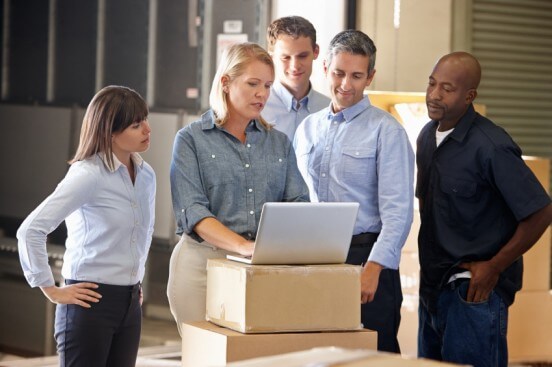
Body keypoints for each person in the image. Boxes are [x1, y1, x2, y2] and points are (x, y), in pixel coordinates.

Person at [415, 51, 552, 366]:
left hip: (472, 293)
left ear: (469, 96)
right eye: (432, 84)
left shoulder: (491, 146)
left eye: (447, 89)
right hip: (432, 289)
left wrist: (494, 266)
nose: (434, 95)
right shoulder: (426, 137)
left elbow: (541, 211)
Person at [167, 42, 309, 334]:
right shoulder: (191, 140)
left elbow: (297, 201)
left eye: (268, 85)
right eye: (253, 83)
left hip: (260, 268)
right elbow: (193, 211)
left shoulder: (279, 142)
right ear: (226, 83)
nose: (262, 94)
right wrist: (243, 246)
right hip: (201, 269)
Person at [17, 85, 156, 367]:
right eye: (136, 124)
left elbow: (141, 235)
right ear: (110, 132)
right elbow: (31, 230)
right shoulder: (88, 175)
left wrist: (133, 279)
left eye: (145, 119)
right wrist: (50, 288)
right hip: (89, 303)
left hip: (130, 302)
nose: (147, 129)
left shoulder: (146, 175)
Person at [294, 30, 414, 353]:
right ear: (325, 70)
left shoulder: (387, 132)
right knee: (320, 353)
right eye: (339, 73)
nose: (346, 84)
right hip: (317, 260)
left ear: (370, 77)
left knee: (373, 354)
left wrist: (373, 269)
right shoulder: (307, 129)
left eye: (357, 76)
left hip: (366, 259)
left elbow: (398, 214)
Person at [262, 15, 330, 141]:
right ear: (271, 58)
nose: (295, 66)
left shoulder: (329, 109)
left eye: (302, 56)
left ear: (316, 52)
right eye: (285, 58)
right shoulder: (257, 108)